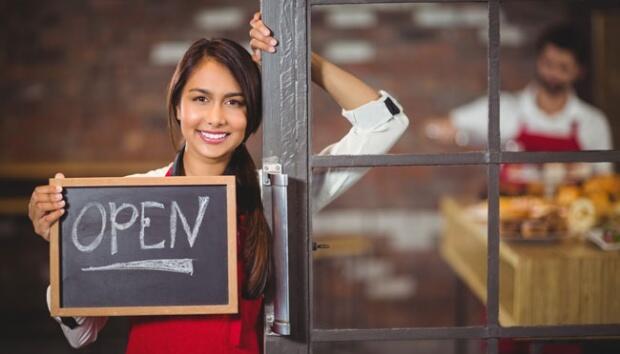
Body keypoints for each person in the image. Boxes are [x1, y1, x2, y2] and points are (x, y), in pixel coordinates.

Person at [27, 13, 409, 353]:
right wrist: (65, 246)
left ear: (251, 114)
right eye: (200, 99)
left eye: (234, 102)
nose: (215, 118)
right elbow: (81, 335)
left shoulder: (275, 195)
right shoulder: (133, 195)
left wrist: (300, 59)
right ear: (178, 107)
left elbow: (385, 124)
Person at [425, 23, 613, 189]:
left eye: (563, 68)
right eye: (548, 64)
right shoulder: (507, 109)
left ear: (579, 72)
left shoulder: (593, 122)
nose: (553, 73)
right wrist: (463, 140)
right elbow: (435, 128)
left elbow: (606, 181)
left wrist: (582, 172)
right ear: (538, 60)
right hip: (510, 220)